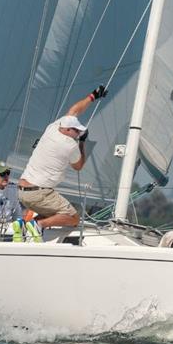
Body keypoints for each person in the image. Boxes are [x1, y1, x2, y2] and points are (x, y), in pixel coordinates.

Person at [17, 86, 107, 234]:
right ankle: (37, 225)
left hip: (23, 192)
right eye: (76, 130)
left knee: (54, 212)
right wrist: (82, 143)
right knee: (72, 218)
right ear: (66, 130)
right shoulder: (69, 145)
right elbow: (78, 166)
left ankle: (22, 225)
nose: (79, 132)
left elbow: (74, 111)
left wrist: (92, 96)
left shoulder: (53, 127)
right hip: (39, 192)